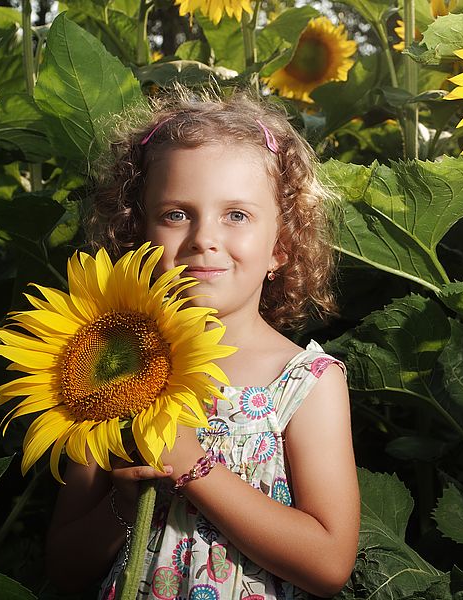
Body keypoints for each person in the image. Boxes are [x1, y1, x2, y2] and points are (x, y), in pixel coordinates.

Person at [45, 88, 360, 599]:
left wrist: (193, 466)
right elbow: (65, 568)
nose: (202, 238)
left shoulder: (305, 383)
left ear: (280, 246)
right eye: (175, 214)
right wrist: (122, 507)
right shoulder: (109, 369)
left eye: (236, 215)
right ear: (136, 234)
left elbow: (328, 564)